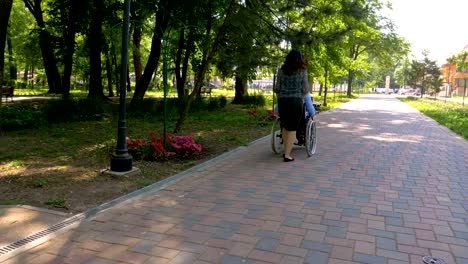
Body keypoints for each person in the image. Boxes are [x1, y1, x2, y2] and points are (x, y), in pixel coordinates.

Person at [273, 49, 308, 162]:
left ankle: (285, 151)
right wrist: (301, 96)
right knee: (293, 128)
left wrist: (281, 95)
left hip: (283, 101)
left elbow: (277, 88)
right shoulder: (302, 71)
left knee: (285, 126)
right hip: (296, 101)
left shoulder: (281, 71)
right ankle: (287, 155)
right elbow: (305, 89)